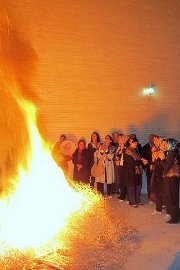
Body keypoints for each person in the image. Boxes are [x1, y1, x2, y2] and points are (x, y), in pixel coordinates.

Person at [159, 138, 180, 224]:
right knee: (175, 196)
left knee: (171, 197)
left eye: (167, 143)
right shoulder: (177, 151)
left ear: (171, 144)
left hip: (170, 177)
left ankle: (174, 219)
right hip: (175, 177)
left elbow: (166, 167)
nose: (166, 145)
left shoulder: (171, 152)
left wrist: (162, 159)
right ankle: (176, 216)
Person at [124, 138, 148, 207]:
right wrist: (141, 162)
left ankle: (137, 200)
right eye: (134, 142)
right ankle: (132, 201)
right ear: (130, 143)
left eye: (136, 142)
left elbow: (137, 159)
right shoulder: (127, 151)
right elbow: (131, 163)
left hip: (138, 171)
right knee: (131, 187)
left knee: (138, 186)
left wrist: (142, 160)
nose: (135, 144)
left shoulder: (136, 149)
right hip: (131, 171)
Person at [151, 138, 168, 215]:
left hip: (164, 176)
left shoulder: (168, 153)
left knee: (165, 194)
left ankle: (169, 212)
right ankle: (158, 209)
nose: (163, 145)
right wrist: (154, 159)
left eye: (165, 144)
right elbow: (156, 164)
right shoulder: (158, 152)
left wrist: (162, 158)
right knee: (158, 193)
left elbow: (166, 166)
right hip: (157, 176)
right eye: (162, 144)